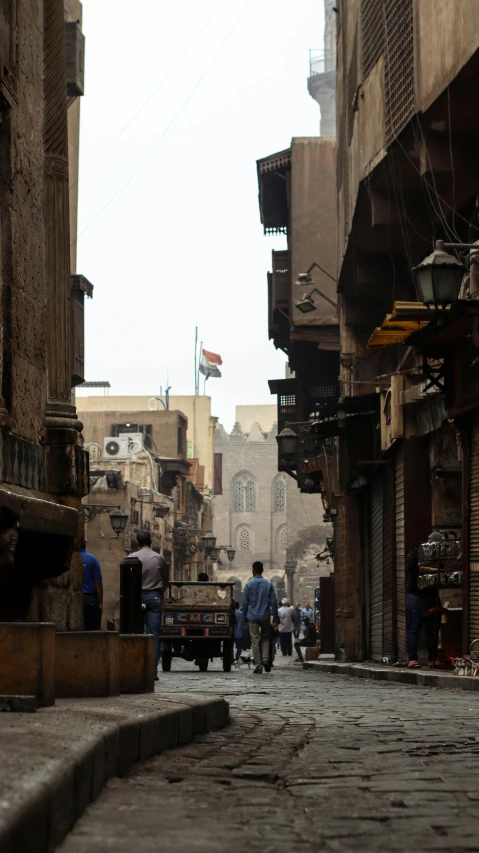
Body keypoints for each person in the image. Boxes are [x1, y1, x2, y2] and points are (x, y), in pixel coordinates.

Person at [129, 531, 166, 681]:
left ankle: (135, 669)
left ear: (137, 542)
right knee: (153, 635)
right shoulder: (158, 558)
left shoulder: (132, 557)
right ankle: (153, 670)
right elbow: (165, 579)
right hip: (154, 597)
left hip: (137, 597)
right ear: (151, 542)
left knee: (135, 633)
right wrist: (159, 594)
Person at [406, 531, 444, 670]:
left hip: (431, 596)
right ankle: (412, 659)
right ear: (429, 541)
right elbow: (411, 568)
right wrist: (432, 570)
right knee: (413, 627)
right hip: (415, 595)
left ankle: (432, 659)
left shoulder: (439, 557)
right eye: (434, 543)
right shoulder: (415, 554)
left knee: (433, 629)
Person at [242, 561, 278, 674]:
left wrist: (244, 616)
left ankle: (258, 665)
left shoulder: (248, 584)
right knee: (266, 638)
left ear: (253, 570)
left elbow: (245, 603)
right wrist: (275, 616)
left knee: (255, 640)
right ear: (262, 570)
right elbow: (273, 602)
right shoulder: (268, 584)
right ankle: (266, 659)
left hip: (252, 616)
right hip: (265, 615)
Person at [78, 540, 103, 631]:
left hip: (75, 599)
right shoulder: (92, 559)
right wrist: (100, 603)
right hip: (90, 599)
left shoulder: (71, 559)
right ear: (85, 546)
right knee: (93, 631)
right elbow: (98, 583)